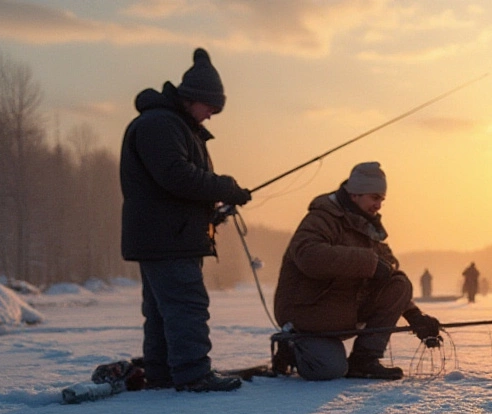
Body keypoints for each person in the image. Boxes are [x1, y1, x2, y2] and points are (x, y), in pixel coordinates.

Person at [120, 47, 253, 392]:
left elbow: (175, 188)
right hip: (167, 239)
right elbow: (176, 176)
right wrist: (224, 187)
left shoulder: (171, 124)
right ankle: (194, 374)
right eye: (210, 107)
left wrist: (210, 212)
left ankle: (163, 374)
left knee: (164, 310)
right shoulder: (160, 124)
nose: (211, 115)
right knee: (186, 306)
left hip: (166, 236)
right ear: (193, 98)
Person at [272, 162, 440, 381]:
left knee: (399, 282)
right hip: (308, 315)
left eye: (382, 199)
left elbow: (389, 274)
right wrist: (367, 262)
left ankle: (364, 360)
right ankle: (292, 345)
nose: (379, 205)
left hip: (342, 312)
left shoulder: (369, 228)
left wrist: (415, 316)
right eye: (375, 197)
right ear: (355, 195)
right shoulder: (321, 219)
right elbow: (308, 256)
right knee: (329, 370)